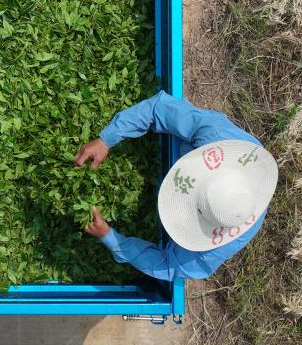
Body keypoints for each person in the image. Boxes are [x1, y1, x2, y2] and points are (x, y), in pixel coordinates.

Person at [75, 91, 278, 281]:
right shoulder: (218, 138)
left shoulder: (213, 249)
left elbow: (170, 266)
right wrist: (106, 139)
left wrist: (112, 239)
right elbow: (158, 108)